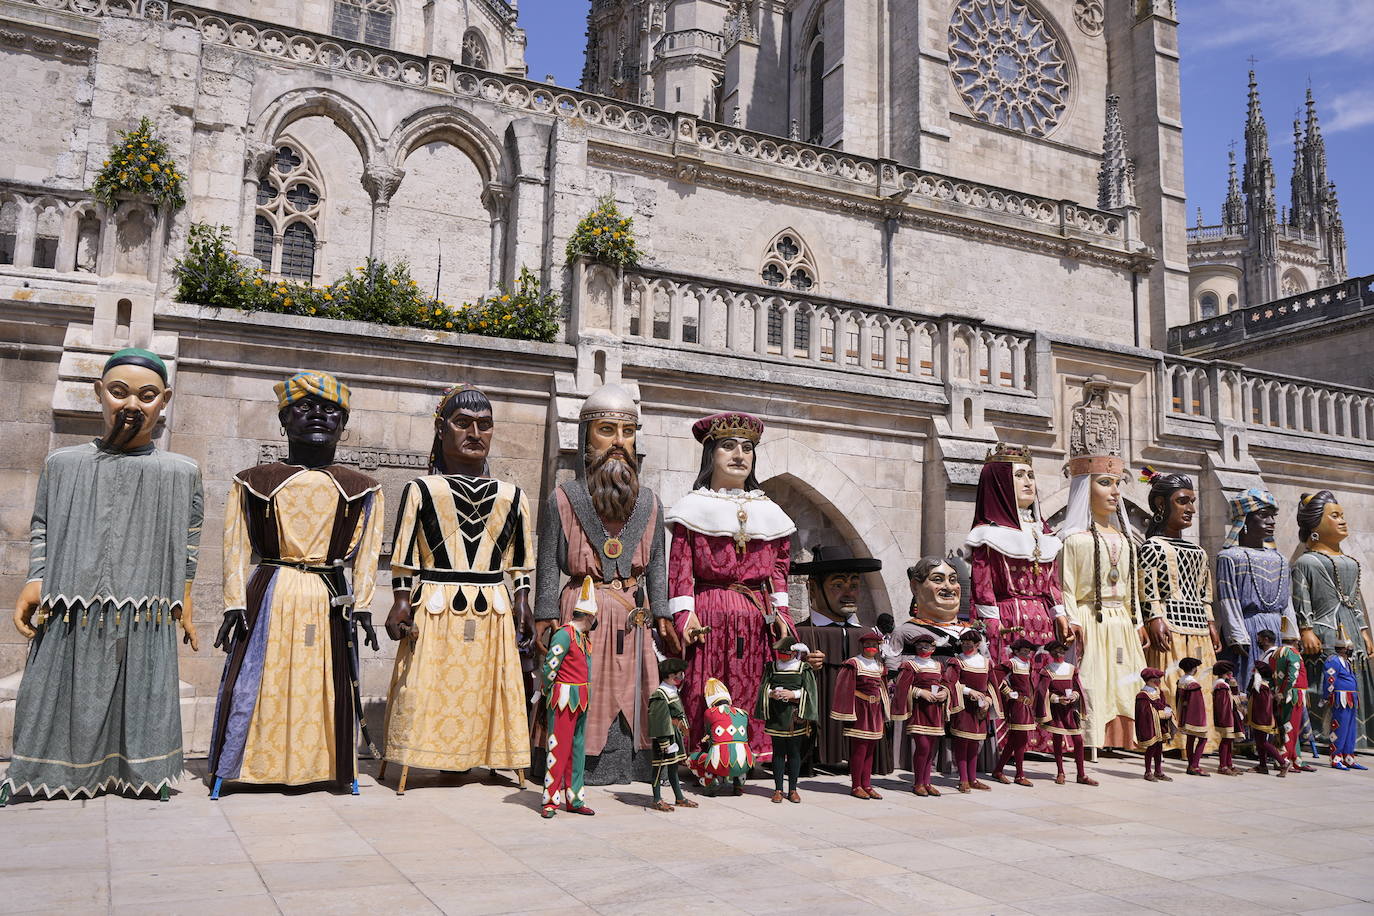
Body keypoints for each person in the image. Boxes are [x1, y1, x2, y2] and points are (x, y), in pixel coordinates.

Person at [4, 349, 202, 806]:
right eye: (119, 392)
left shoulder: (181, 472)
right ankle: (37, 775)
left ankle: (142, 777)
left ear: (164, 400)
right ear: (100, 394)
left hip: (147, 608)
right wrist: (36, 580)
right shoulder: (63, 464)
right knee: (51, 692)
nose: (132, 405)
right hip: (70, 603)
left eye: (147, 395)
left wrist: (185, 597)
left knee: (142, 694)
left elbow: (189, 540)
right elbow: (43, 526)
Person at [208, 371, 383, 798]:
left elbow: (369, 551)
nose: (319, 416)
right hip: (270, 590)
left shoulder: (362, 488)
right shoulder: (253, 481)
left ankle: (322, 766)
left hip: (329, 596)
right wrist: (234, 603)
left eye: (331, 410)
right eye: (305, 408)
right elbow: (234, 544)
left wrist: (361, 605)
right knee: (255, 680)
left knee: (326, 682)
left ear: (343, 424)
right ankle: (248, 766)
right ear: (284, 420)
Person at [381, 386, 533, 792]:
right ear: (441, 429)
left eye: (485, 425)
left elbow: (520, 559)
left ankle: (488, 757)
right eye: (463, 423)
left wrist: (523, 601)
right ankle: (425, 757)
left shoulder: (513, 495)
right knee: (427, 682)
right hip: (435, 601)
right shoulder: (421, 489)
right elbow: (404, 553)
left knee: (489, 685)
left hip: (493, 605)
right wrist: (399, 600)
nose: (475, 433)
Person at [534, 384, 674, 784]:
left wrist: (662, 612)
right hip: (582, 611)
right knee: (584, 688)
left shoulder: (649, 503)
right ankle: (579, 767)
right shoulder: (563, 499)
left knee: (636, 688)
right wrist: (544, 613)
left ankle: (634, 765)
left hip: (633, 615)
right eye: (606, 431)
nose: (618, 442)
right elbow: (547, 564)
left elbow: (658, 565)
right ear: (585, 437)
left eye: (627, 432)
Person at [668, 412, 796, 763]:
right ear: (711, 454)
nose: (739, 454)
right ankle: (705, 756)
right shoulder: (693, 508)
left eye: (747, 448)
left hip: (756, 618)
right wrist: (685, 617)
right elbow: (679, 570)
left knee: (754, 688)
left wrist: (781, 614)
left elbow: (780, 572)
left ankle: (750, 757)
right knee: (705, 688)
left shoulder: (770, 511)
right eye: (728, 446)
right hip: (709, 614)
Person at [966, 443, 1061, 756]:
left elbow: (1054, 582)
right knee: (1014, 679)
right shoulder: (988, 534)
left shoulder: (1044, 533)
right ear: (1000, 484)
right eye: (1019, 475)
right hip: (1009, 620)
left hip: (1043, 622)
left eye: (1031, 475)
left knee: (1043, 680)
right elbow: (983, 584)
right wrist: (989, 624)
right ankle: (1009, 740)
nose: (1029, 482)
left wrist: (1061, 614)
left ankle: (1042, 739)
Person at [1058, 452, 1148, 751]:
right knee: (1093, 682)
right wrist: (1071, 619)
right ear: (1086, 488)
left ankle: (1124, 739)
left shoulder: (1125, 539)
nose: (1115, 491)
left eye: (1117, 483)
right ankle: (1091, 739)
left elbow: (1131, 587)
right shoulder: (1074, 539)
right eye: (1106, 483)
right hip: (1090, 620)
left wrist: (1138, 621)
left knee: (1125, 682)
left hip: (1122, 621)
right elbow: (1066, 586)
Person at [1137, 469, 1220, 751]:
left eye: (1192, 501)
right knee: (1172, 686)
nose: (1191, 509)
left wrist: (1210, 622)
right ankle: (1172, 740)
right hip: (1169, 630)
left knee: (1200, 687)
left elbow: (1204, 593)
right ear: (1162, 504)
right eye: (1183, 501)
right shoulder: (1152, 547)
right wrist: (1155, 617)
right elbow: (1147, 588)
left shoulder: (1198, 551)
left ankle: (1200, 742)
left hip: (1198, 629)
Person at [1291, 490, 1373, 749]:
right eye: (1334, 516)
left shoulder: (1350, 562)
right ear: (1314, 524)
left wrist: (1364, 631)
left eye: (1342, 515)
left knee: (1354, 678)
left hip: (1350, 628)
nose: (1342, 520)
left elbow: (1355, 602)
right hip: (1324, 630)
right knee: (1326, 682)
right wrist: (1305, 629)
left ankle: (1358, 734)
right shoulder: (1305, 562)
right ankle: (1324, 734)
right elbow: (1300, 597)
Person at [793, 544, 885, 774]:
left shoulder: (868, 633)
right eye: (838, 585)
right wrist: (802, 667)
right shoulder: (800, 633)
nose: (849, 593)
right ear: (813, 588)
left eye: (854, 585)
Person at [1215, 488, 1296, 688]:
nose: (1271, 521)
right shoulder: (1229, 557)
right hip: (1247, 631)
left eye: (1272, 516)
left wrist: (1292, 635)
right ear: (1244, 520)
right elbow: (1228, 600)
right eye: (1263, 515)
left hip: (1277, 630)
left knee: (1281, 688)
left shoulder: (1280, 559)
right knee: (1249, 686)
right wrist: (1236, 636)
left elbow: (1287, 602)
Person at [541, 578, 598, 817]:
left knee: (576, 750)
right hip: (563, 698)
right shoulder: (565, 634)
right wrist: (548, 691)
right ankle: (550, 801)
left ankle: (574, 799)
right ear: (589, 617)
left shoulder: (583, 639)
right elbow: (549, 667)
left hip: (581, 699)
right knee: (558, 749)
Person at [755, 636, 819, 803]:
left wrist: (793, 695)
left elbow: (810, 691)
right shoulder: (771, 667)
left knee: (794, 753)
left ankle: (792, 789)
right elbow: (764, 687)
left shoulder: (803, 668)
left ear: (794, 652)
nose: (782, 654)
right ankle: (777, 789)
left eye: (786, 652)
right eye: (780, 652)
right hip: (776, 716)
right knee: (777, 753)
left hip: (794, 716)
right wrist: (771, 693)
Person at [831, 628, 890, 799]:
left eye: (874, 645)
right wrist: (848, 711)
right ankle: (856, 785)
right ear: (862, 646)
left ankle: (867, 784)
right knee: (859, 749)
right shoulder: (853, 664)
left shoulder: (880, 666)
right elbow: (844, 688)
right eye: (868, 645)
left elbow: (883, 688)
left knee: (871, 749)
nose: (871, 647)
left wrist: (886, 711)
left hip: (875, 710)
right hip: (860, 709)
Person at [945, 628, 999, 793]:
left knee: (975, 744)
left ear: (977, 644)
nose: (965, 646)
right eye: (964, 643)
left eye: (969, 643)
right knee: (962, 743)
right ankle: (963, 780)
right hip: (963, 707)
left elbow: (992, 685)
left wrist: (989, 700)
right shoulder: (956, 662)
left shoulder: (986, 663)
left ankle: (973, 778)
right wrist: (969, 691)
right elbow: (950, 683)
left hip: (980, 709)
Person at [1036, 640, 1096, 786]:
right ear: (1051, 653)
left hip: (1070, 710)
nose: (1059, 654)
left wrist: (1074, 696)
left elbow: (1077, 688)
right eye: (1056, 651)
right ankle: (1060, 772)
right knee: (1057, 740)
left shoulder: (1071, 669)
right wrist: (1057, 699)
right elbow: (1042, 692)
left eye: (1062, 651)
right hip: (1056, 710)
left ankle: (1081, 774)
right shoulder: (1047, 670)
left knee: (1078, 741)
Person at [688, 678, 754, 796]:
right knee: (742, 753)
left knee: (692, 759)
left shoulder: (709, 713)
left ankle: (710, 781)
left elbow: (709, 733)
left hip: (720, 763)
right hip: (745, 762)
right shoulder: (743, 713)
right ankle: (738, 784)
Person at [647, 657, 698, 810]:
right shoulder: (660, 694)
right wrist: (664, 742)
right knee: (658, 769)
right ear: (669, 675)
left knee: (673, 768)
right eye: (678, 674)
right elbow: (659, 721)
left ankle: (679, 797)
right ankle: (656, 799)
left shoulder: (672, 690)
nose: (681, 677)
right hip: (665, 738)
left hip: (674, 736)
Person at [993, 637, 1040, 786]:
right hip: (1017, 705)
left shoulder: (1028, 664)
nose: (1027, 654)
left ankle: (999, 770)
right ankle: (1019, 775)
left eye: (1029, 651)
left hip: (1026, 705)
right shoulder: (1011, 663)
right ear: (1016, 651)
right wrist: (1008, 692)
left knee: (1015, 741)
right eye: (1024, 651)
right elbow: (995, 677)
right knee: (1020, 740)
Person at [1273, 626, 1315, 773]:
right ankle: (1284, 759)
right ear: (1296, 641)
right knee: (1289, 728)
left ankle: (1294, 757)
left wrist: (1277, 692)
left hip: (1284, 694)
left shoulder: (1277, 653)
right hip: (1292, 695)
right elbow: (1292, 676)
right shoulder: (1293, 653)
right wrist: (1284, 693)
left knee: (1290, 727)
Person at [1322, 630, 1366, 770]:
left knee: (1350, 730)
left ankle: (1348, 757)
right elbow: (1329, 680)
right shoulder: (1333, 660)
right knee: (1339, 728)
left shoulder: (1347, 662)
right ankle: (1336, 758)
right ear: (1343, 649)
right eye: (1350, 648)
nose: (1352, 651)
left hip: (1350, 698)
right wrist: (1326, 697)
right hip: (1340, 698)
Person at [1246, 660, 1291, 777]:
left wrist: (1260, 722)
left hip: (1262, 720)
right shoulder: (1259, 687)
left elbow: (1264, 707)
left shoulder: (1263, 688)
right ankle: (1262, 766)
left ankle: (1283, 763)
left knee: (1264, 743)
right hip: (1256, 719)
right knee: (1259, 742)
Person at [1134, 668, 1174, 782]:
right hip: (1151, 726)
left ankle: (1158, 771)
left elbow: (1163, 703)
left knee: (1159, 748)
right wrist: (1160, 712)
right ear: (1148, 680)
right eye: (1155, 679)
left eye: (1158, 679)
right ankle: (1147, 771)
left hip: (1160, 725)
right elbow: (1144, 713)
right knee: (1151, 748)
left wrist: (1167, 710)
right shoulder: (1143, 695)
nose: (1158, 682)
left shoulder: (1158, 692)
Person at [1174, 656, 1209, 777]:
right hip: (1194, 716)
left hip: (1184, 714)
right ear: (1194, 669)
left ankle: (1190, 765)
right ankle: (1195, 765)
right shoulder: (1193, 683)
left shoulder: (1181, 681)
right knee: (1203, 738)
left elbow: (1179, 700)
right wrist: (1200, 721)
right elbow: (1197, 704)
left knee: (1190, 739)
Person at [1211, 660, 1244, 776]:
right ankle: (1222, 766)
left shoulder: (1225, 684)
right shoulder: (1221, 686)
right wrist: (1226, 721)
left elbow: (1234, 697)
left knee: (1229, 741)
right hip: (1226, 718)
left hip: (1230, 717)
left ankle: (1229, 764)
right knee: (1225, 741)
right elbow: (1223, 705)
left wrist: (1234, 685)